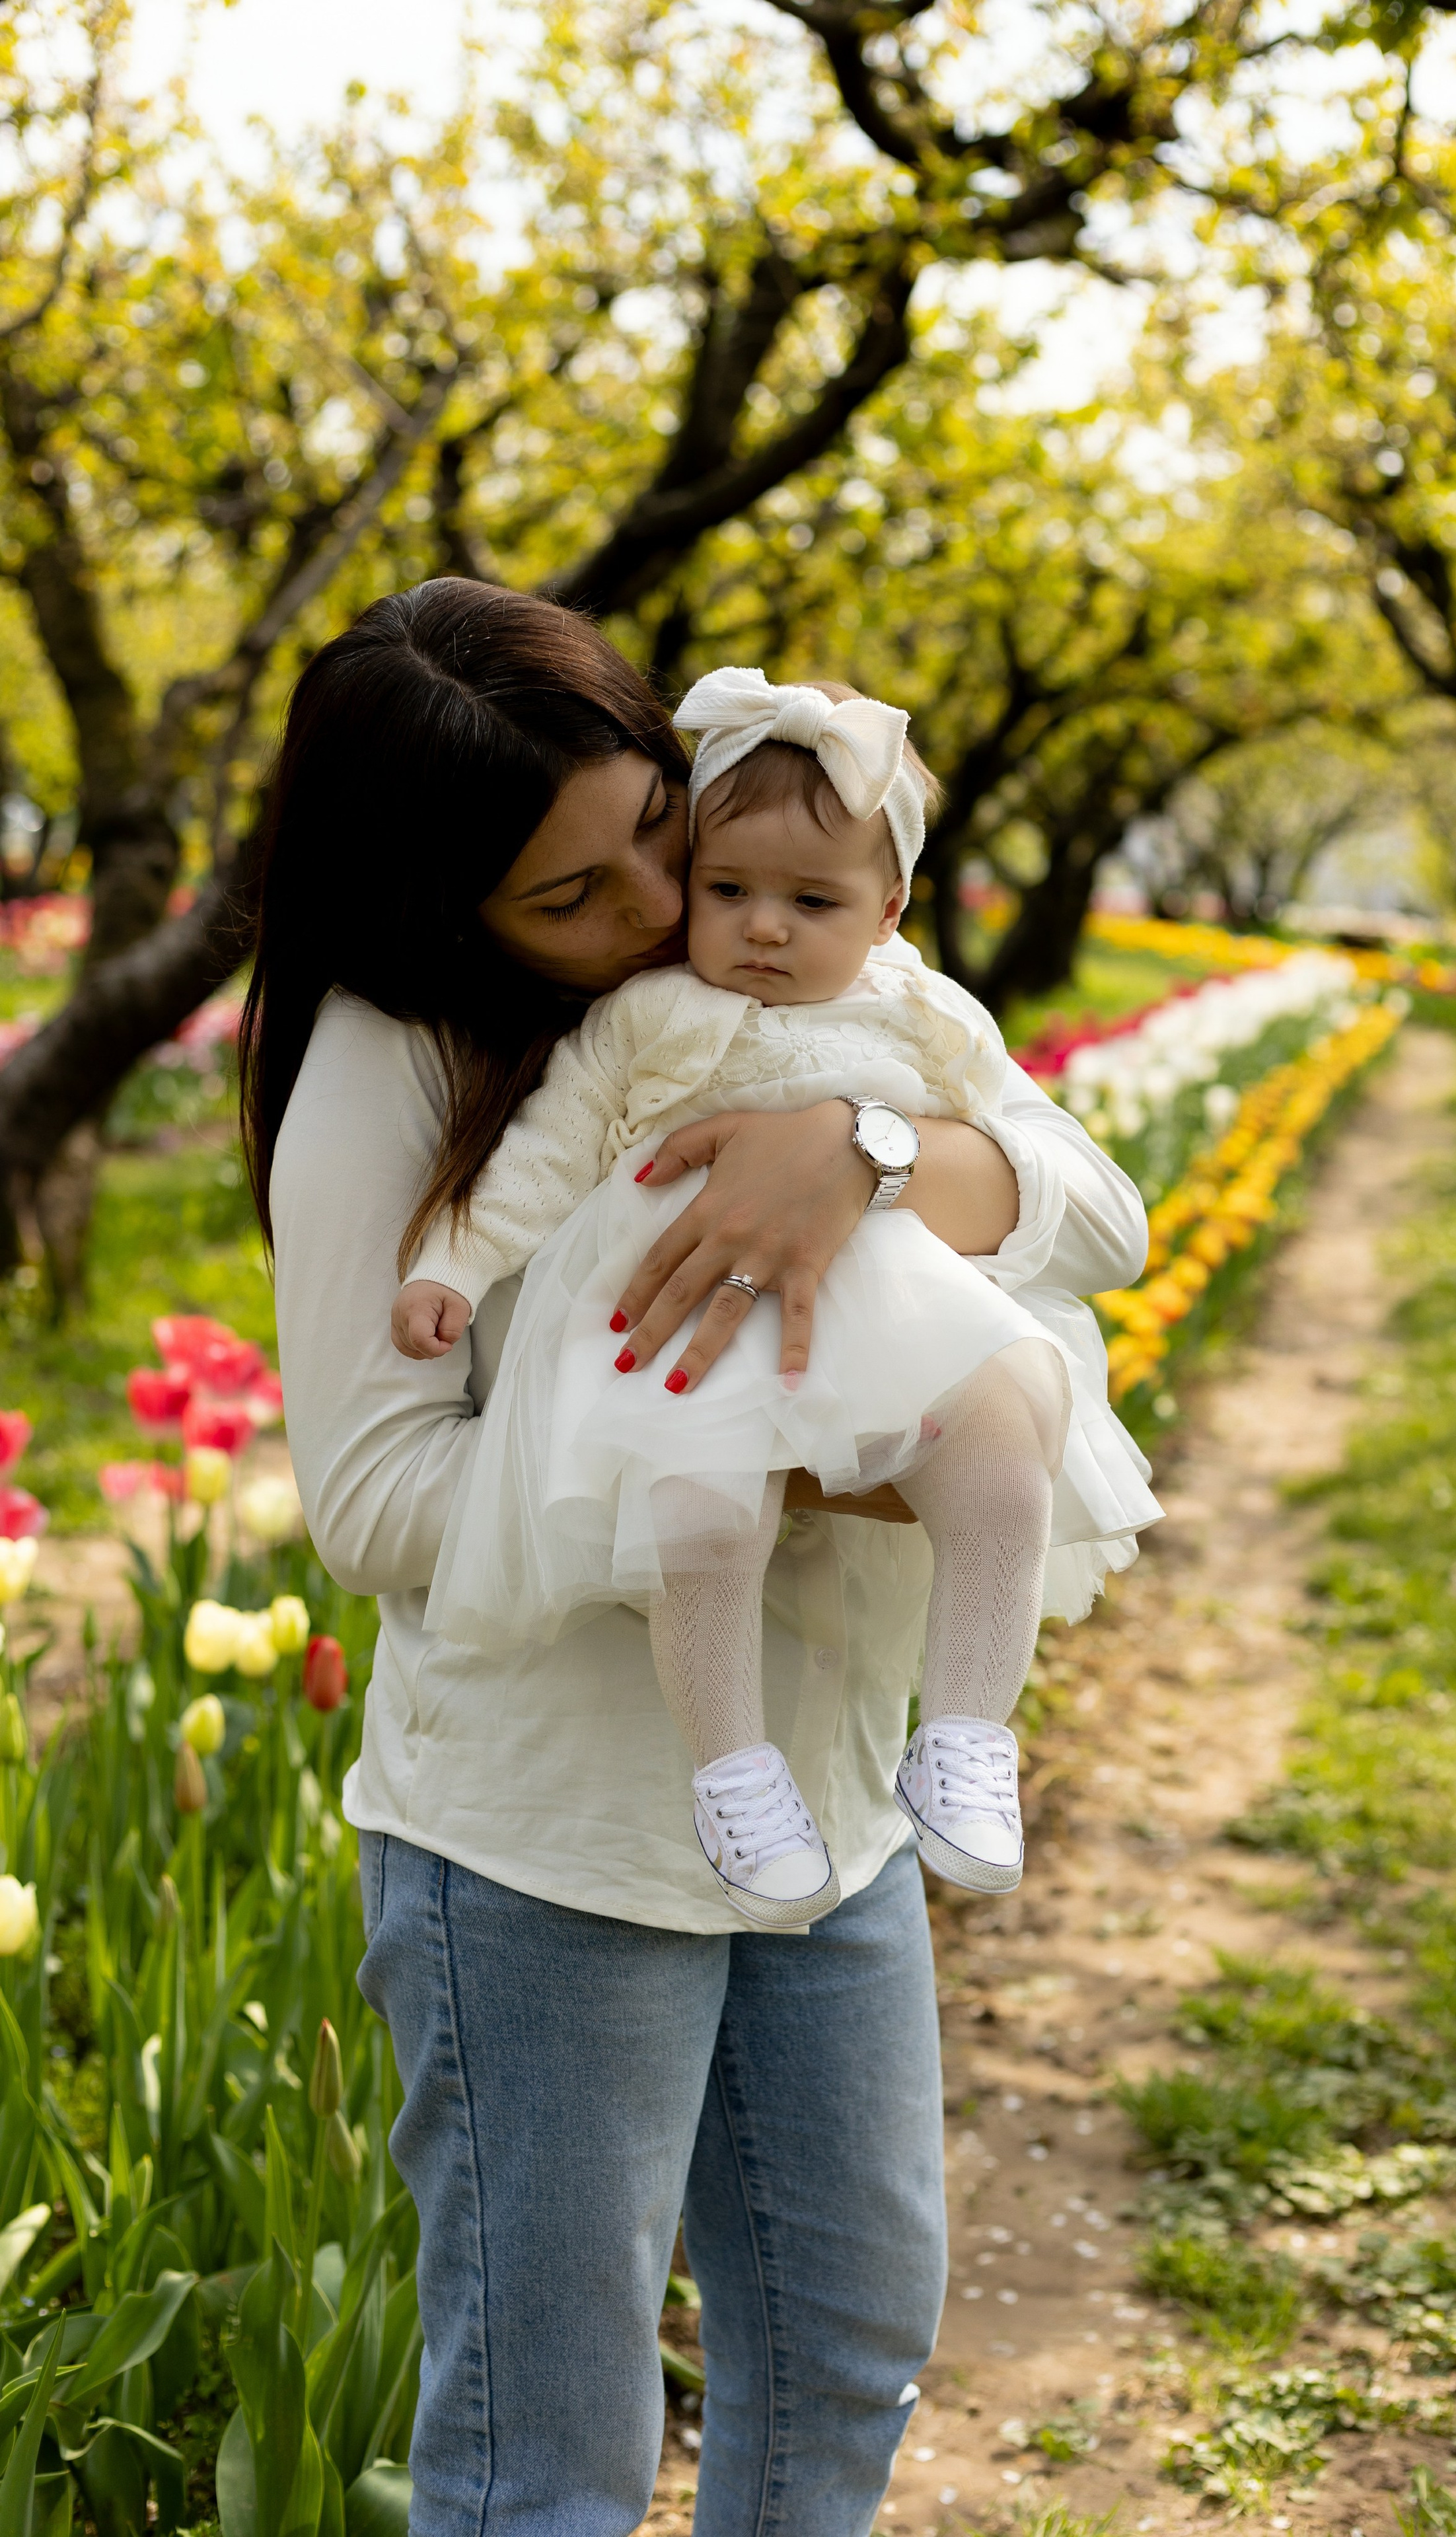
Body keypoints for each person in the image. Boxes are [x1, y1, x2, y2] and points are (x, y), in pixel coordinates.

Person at [245, 577, 1150, 2537]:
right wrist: (732, 1482)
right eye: (570, 902)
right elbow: (373, 1501)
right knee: (549, 2464)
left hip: (828, 1804)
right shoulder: (394, 1060)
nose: (662, 916)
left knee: (842, 2348)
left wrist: (872, 1157)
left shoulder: (807, 986)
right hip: (552, 1848)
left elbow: (1090, 1199)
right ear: (437, 906)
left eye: (655, 837)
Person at [392, 667, 1160, 1929]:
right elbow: (546, 1146)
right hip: (689, 1320)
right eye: (727, 888)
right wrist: (454, 1266)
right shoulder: (648, 1013)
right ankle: (731, 1763)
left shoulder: (926, 1008)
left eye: (813, 901)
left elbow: (1085, 1191)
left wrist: (875, 1144)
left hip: (893, 1309)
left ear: (891, 910)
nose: (761, 928)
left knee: (1014, 1418)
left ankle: (966, 1731)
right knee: (701, 1524)